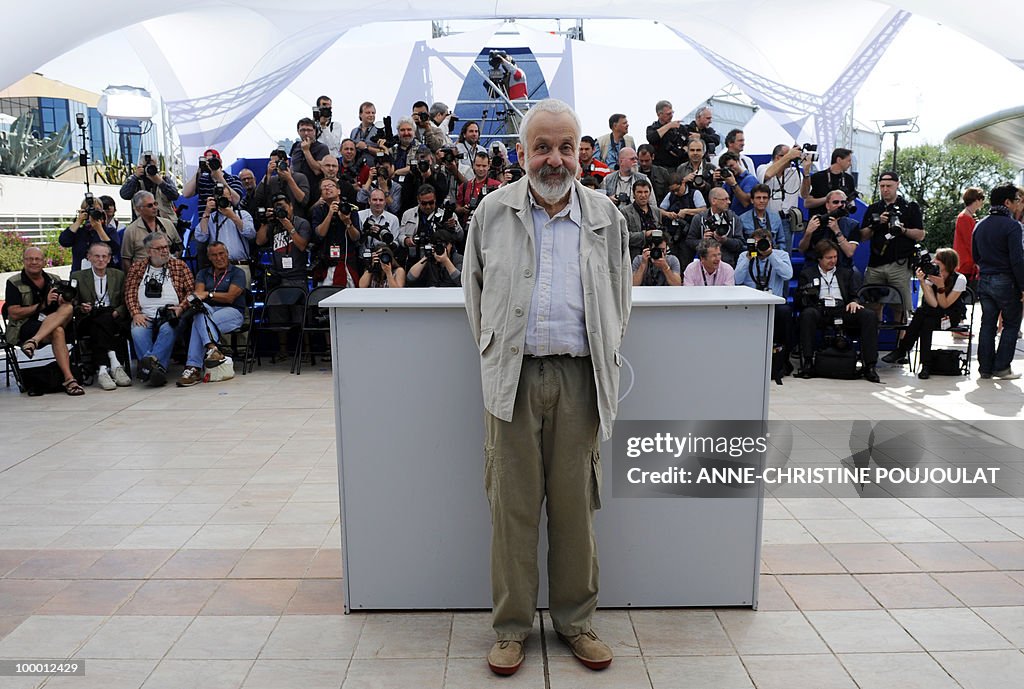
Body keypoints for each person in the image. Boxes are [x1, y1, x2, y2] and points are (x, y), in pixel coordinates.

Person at [463, 98, 631, 676]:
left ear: (581, 152)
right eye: (542, 147)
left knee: (575, 505)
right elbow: (475, 297)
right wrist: (495, 358)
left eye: (566, 147)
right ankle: (511, 628)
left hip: (580, 378)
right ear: (522, 153)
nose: (554, 159)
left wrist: (603, 352)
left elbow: (618, 299)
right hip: (512, 379)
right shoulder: (491, 212)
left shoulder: (606, 215)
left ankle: (575, 621)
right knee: (511, 506)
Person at [795, 241, 880, 383]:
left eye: (835, 257)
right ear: (819, 258)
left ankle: (870, 365)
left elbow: (854, 295)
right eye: (829, 258)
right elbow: (799, 300)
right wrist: (807, 295)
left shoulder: (845, 273)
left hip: (842, 308)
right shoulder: (808, 274)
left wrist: (855, 302)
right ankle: (808, 362)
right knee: (808, 314)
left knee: (869, 315)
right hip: (819, 309)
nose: (833, 260)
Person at [3, 247, 83, 395]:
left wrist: (61, 300)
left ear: (44, 262)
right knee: (57, 331)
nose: (34, 262)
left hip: (52, 322)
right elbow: (13, 313)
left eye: (37, 259)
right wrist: (43, 305)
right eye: (29, 259)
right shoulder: (14, 282)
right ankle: (70, 379)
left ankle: (34, 342)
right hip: (27, 326)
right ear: (24, 261)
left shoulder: (54, 280)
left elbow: (68, 304)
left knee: (68, 308)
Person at [881, 248, 967, 379]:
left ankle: (903, 350)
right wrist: (922, 282)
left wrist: (940, 286)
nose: (933, 262)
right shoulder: (932, 275)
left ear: (946, 263)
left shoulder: (960, 279)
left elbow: (945, 304)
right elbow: (933, 303)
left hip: (950, 315)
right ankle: (925, 366)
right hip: (933, 313)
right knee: (926, 321)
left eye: (937, 260)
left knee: (922, 313)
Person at [124, 232, 195, 387]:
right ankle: (157, 370)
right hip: (144, 314)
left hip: (171, 314)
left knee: (168, 330)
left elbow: (191, 292)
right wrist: (135, 313)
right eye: (160, 248)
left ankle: (149, 369)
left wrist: (181, 308)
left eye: (166, 247)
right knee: (137, 331)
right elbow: (130, 292)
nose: (165, 251)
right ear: (149, 251)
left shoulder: (179, 265)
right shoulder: (137, 267)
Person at [971, 184, 1024, 380]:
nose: (1019, 204)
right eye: (1017, 200)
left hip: (985, 279)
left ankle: (985, 368)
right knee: (1011, 324)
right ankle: (1001, 367)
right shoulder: (1013, 226)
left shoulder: (980, 225)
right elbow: (1017, 260)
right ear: (1007, 202)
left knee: (988, 324)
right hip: (1006, 280)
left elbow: (975, 255)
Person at [177, 242, 246, 387]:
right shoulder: (203, 273)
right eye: (214, 255)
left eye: (221, 253)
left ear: (227, 254)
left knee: (199, 321)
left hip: (232, 311)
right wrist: (205, 296)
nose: (219, 257)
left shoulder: (237, 272)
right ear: (209, 257)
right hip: (209, 310)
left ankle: (193, 368)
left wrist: (209, 294)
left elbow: (230, 297)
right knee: (200, 313)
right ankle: (212, 349)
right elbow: (198, 296)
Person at [860, 171, 926, 325]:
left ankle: (900, 347)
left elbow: (920, 234)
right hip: (875, 264)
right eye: (882, 186)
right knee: (872, 306)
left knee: (900, 308)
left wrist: (903, 230)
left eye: (889, 186)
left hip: (900, 263)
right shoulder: (873, 208)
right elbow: (862, 236)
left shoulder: (909, 207)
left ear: (897, 184)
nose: (885, 189)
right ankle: (872, 345)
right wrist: (875, 224)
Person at [71, 243, 131, 390]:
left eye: (104, 256)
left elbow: (126, 301)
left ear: (109, 258)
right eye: (96, 256)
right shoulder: (78, 276)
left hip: (113, 316)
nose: (100, 259)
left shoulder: (118, 275)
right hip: (88, 317)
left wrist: (118, 311)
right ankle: (115, 362)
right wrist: (82, 308)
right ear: (89, 257)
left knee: (104, 319)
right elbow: (73, 303)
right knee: (99, 320)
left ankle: (103, 369)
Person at [735, 228, 793, 367]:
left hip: (774, 302)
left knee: (785, 313)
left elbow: (787, 275)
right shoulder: (745, 256)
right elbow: (736, 279)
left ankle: (782, 359)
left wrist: (771, 254)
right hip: (751, 302)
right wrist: (749, 257)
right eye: (757, 243)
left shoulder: (781, 255)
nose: (760, 247)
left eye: (764, 243)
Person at [310, 179, 361, 287]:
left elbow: (356, 237)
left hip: (347, 261)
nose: (327, 188)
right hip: (326, 262)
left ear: (339, 191)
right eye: (324, 187)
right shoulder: (318, 210)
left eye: (330, 186)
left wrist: (347, 222)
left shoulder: (350, 209)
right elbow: (319, 235)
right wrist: (329, 214)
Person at [255, 194, 312, 289]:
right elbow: (259, 241)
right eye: (277, 208)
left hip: (297, 276)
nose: (282, 211)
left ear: (291, 206)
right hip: (277, 277)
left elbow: (302, 246)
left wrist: (289, 226)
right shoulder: (273, 224)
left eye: (284, 207)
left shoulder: (301, 223)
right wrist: (264, 222)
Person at [798, 190, 860, 270]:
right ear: (827, 205)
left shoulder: (853, 225)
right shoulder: (816, 221)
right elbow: (802, 249)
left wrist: (837, 231)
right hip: (815, 269)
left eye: (843, 202)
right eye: (836, 202)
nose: (840, 205)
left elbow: (849, 253)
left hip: (842, 270)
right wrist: (808, 233)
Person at [684, 187, 745, 267]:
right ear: (714, 201)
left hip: (727, 263)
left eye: (728, 199)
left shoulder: (734, 219)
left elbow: (740, 244)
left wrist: (725, 240)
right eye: (725, 199)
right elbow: (689, 241)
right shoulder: (699, 218)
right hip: (704, 264)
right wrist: (703, 241)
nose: (729, 202)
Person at [120, 191, 183, 266]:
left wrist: (173, 261)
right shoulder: (131, 230)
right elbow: (126, 259)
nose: (154, 207)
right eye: (150, 205)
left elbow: (179, 247)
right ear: (139, 209)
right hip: (142, 273)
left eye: (155, 204)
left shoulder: (168, 224)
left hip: (167, 270)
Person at [59, 196, 121, 271]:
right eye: (89, 211)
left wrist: (99, 229)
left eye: (97, 210)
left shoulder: (110, 231)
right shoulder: (78, 232)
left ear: (102, 211)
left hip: (104, 274)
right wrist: (79, 221)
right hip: (80, 275)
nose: (92, 213)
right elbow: (64, 241)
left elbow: (114, 249)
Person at [119, 153, 180, 221]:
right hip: (142, 225)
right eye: (146, 166)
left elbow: (175, 196)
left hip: (166, 223)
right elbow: (124, 195)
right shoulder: (136, 181)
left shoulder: (164, 179)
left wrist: (160, 182)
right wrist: (135, 177)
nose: (149, 168)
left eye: (152, 166)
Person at [619, 180, 662, 259]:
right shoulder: (625, 212)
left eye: (646, 192)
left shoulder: (656, 211)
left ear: (650, 193)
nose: (643, 195)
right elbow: (623, 236)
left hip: (655, 254)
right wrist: (645, 234)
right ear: (634, 194)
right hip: (634, 254)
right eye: (639, 192)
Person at [739, 184, 787, 251]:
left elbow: (781, 241)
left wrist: (777, 254)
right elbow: (740, 244)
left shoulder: (776, 218)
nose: (761, 201)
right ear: (752, 200)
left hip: (772, 255)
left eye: (764, 198)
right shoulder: (742, 219)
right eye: (758, 198)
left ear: (768, 200)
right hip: (751, 255)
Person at [954, 187, 985, 288]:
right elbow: (970, 243)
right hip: (965, 263)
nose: (982, 202)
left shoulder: (969, 216)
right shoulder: (964, 218)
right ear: (976, 200)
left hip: (969, 263)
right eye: (982, 199)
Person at [646, 100, 688, 170]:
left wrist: (683, 150)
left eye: (672, 113)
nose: (671, 116)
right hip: (660, 167)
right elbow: (652, 138)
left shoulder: (679, 128)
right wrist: (669, 126)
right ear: (659, 114)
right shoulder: (652, 128)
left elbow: (688, 142)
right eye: (668, 114)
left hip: (678, 166)